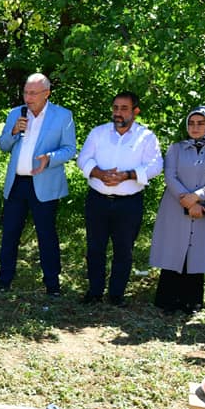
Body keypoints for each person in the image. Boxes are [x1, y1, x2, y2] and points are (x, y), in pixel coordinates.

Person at [76, 91, 163, 306]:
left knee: (123, 249)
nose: (118, 113)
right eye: (115, 108)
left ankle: (116, 295)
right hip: (98, 200)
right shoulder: (98, 133)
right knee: (95, 248)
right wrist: (100, 174)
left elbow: (155, 165)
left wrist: (128, 175)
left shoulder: (146, 137)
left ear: (135, 111)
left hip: (129, 203)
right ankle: (95, 292)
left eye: (124, 109)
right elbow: (83, 159)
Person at [0, 73, 77, 296]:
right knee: (10, 233)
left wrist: (49, 158)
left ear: (46, 94)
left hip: (45, 184)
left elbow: (70, 149)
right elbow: (3, 146)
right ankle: (4, 279)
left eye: (33, 93)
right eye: (26, 92)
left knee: (46, 235)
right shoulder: (16, 114)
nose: (28, 97)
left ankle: (52, 284)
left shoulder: (62, 116)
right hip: (17, 184)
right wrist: (13, 131)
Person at [150, 107, 205, 314]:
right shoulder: (176, 148)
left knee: (197, 250)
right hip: (175, 205)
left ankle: (191, 302)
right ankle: (167, 300)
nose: (195, 127)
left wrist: (196, 198)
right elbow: (170, 175)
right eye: (191, 123)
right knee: (174, 248)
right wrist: (187, 201)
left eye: (201, 123)